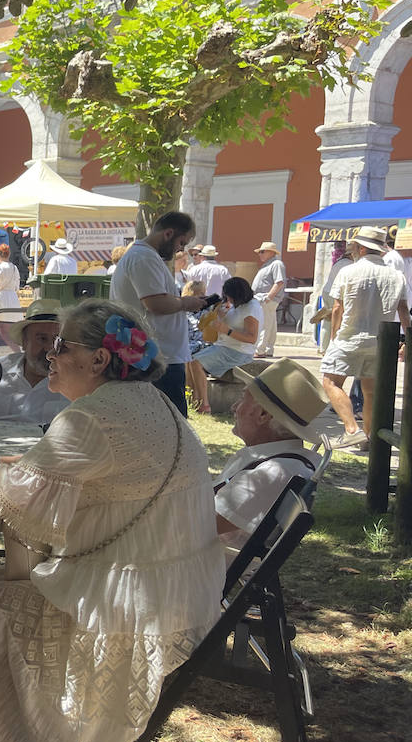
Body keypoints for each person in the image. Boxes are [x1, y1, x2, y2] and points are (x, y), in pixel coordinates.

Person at [0, 298, 221, 742]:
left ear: (99, 360)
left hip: (125, 607)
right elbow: (69, 464)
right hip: (167, 592)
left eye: (62, 345)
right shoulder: (147, 401)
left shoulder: (94, 417)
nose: (50, 355)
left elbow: (14, 497)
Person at [215, 359, 327, 550]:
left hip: (208, 566)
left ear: (263, 415)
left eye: (242, 398)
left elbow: (200, 525)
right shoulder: (284, 460)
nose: (235, 407)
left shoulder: (272, 472)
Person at [110, 210, 208, 416]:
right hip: (155, 356)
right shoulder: (143, 257)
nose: (180, 249)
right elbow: (155, 303)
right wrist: (186, 302)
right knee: (169, 423)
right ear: (168, 233)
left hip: (157, 354)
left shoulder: (144, 256)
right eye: (182, 242)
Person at [320, 225, 410, 448]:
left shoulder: (347, 271)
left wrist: (334, 337)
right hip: (381, 340)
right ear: (380, 250)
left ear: (360, 248)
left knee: (331, 382)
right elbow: (403, 311)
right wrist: (407, 341)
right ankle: (367, 438)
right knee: (370, 391)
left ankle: (352, 429)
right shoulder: (396, 275)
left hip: (349, 336)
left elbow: (337, 309)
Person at [0, 299, 69, 425]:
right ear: (24, 341)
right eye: (42, 339)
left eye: (57, 341)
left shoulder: (74, 380)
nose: (49, 348)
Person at [186, 276, 261, 414]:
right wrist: (219, 316)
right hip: (223, 347)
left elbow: (252, 338)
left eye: (228, 295)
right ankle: (193, 399)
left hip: (238, 352)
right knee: (189, 361)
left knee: (196, 363)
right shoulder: (237, 305)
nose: (227, 298)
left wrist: (227, 330)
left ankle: (204, 405)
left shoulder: (251, 308)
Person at [251, 240, 287, 357]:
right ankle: (268, 349)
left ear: (271, 252)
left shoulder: (276, 264)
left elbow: (279, 281)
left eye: (262, 252)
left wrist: (268, 297)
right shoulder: (268, 264)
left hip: (266, 298)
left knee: (264, 324)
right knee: (270, 324)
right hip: (263, 298)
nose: (259, 254)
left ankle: (260, 349)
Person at [0, 241, 20, 313]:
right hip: (13, 298)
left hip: (0, 297)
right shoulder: (15, 268)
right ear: (9, 254)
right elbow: (17, 286)